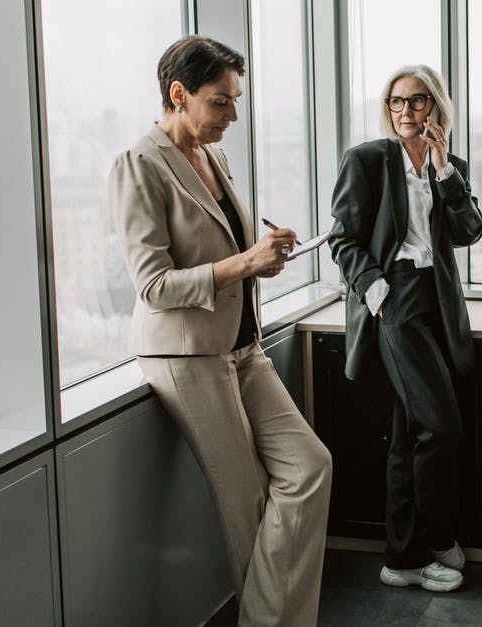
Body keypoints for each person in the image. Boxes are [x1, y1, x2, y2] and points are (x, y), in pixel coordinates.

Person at [108, 35, 331, 627]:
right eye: (220, 102)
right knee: (246, 506)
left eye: (236, 101)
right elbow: (153, 286)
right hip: (187, 356)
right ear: (178, 95)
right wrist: (245, 263)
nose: (233, 116)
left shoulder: (216, 158)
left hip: (242, 346)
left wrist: (264, 255)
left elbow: (228, 256)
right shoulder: (139, 164)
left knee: (310, 467)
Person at [329, 65, 482, 592]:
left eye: (417, 102)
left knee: (410, 432)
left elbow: (469, 231)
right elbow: (343, 239)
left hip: (437, 304)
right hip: (393, 301)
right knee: (441, 427)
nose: (406, 112)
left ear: (437, 108)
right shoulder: (368, 160)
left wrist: (443, 169)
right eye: (396, 102)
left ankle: (404, 555)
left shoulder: (450, 164)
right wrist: (377, 292)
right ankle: (432, 543)